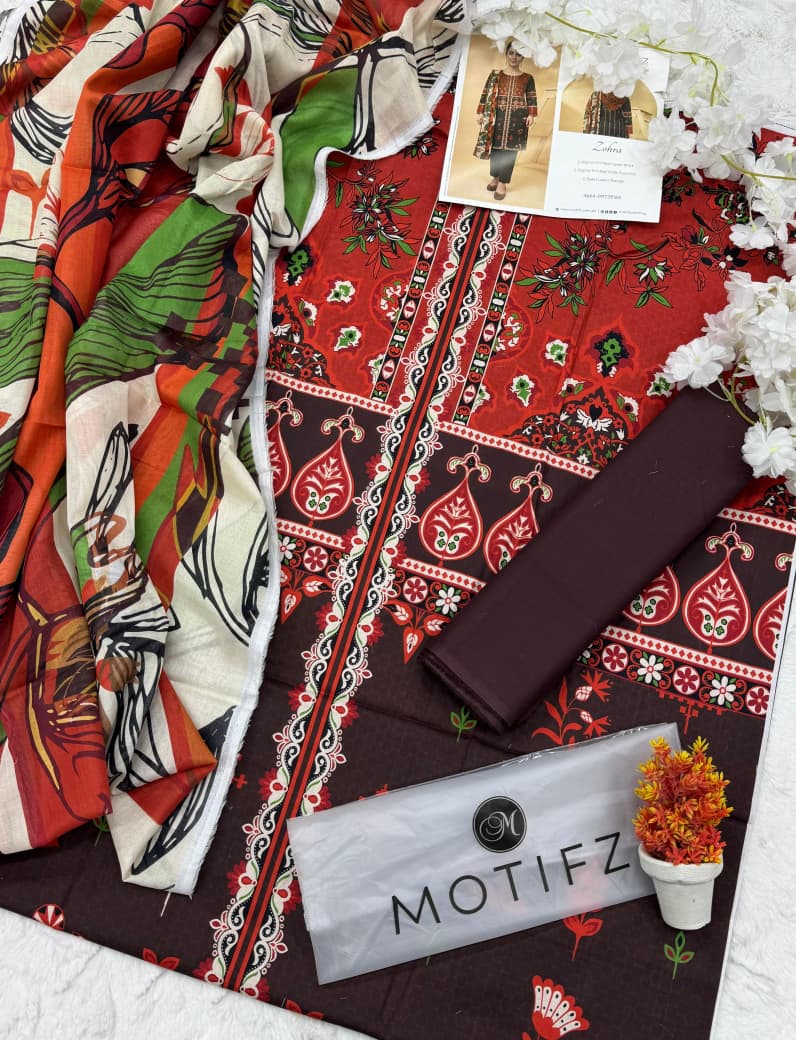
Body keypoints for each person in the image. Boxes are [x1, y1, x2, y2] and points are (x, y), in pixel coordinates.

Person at [474, 42, 537, 202]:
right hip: (496, 117)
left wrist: (531, 115)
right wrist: (480, 112)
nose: (514, 57)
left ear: (523, 57)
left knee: (510, 151)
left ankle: (503, 182)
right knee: (495, 149)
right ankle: (496, 176)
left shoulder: (528, 78)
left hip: (518, 119)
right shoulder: (495, 75)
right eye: (511, 53)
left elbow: (531, 97)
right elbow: (485, 93)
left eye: (518, 54)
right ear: (506, 54)